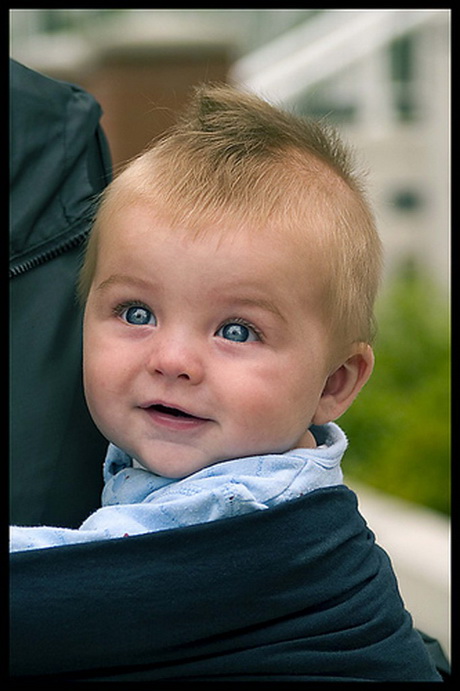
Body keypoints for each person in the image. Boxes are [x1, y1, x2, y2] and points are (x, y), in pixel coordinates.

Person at [9, 84, 442, 681]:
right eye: (137, 313)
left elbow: (45, 599)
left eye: (237, 331)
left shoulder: (242, 508)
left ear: (334, 382)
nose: (173, 359)